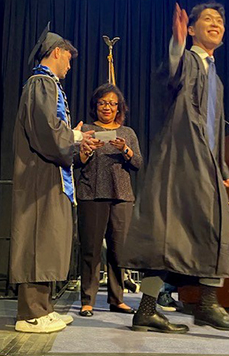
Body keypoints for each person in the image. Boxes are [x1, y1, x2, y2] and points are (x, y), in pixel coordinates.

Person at [120, 2, 229, 333]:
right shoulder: (189, 60)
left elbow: (215, 130)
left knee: (219, 225)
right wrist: (176, 44)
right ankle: (189, 306)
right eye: (207, 19)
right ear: (191, 29)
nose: (215, 23)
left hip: (204, 163)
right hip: (178, 159)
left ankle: (175, 307)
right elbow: (170, 74)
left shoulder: (216, 80)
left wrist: (223, 171)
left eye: (219, 20)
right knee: (167, 232)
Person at [10, 27, 101, 333]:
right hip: (39, 177)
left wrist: (73, 140)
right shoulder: (41, 84)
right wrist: (74, 137)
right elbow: (48, 132)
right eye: (69, 59)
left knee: (49, 240)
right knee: (38, 238)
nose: (70, 65)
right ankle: (31, 313)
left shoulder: (49, 86)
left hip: (51, 174)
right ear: (58, 52)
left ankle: (44, 307)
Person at [74, 83, 143, 317]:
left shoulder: (127, 133)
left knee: (118, 251)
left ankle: (117, 299)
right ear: (96, 105)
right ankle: (87, 300)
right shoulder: (88, 130)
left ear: (119, 108)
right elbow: (75, 161)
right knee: (91, 250)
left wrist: (125, 150)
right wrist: (86, 149)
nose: (107, 107)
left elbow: (138, 164)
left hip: (121, 196)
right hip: (91, 194)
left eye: (112, 103)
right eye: (102, 103)